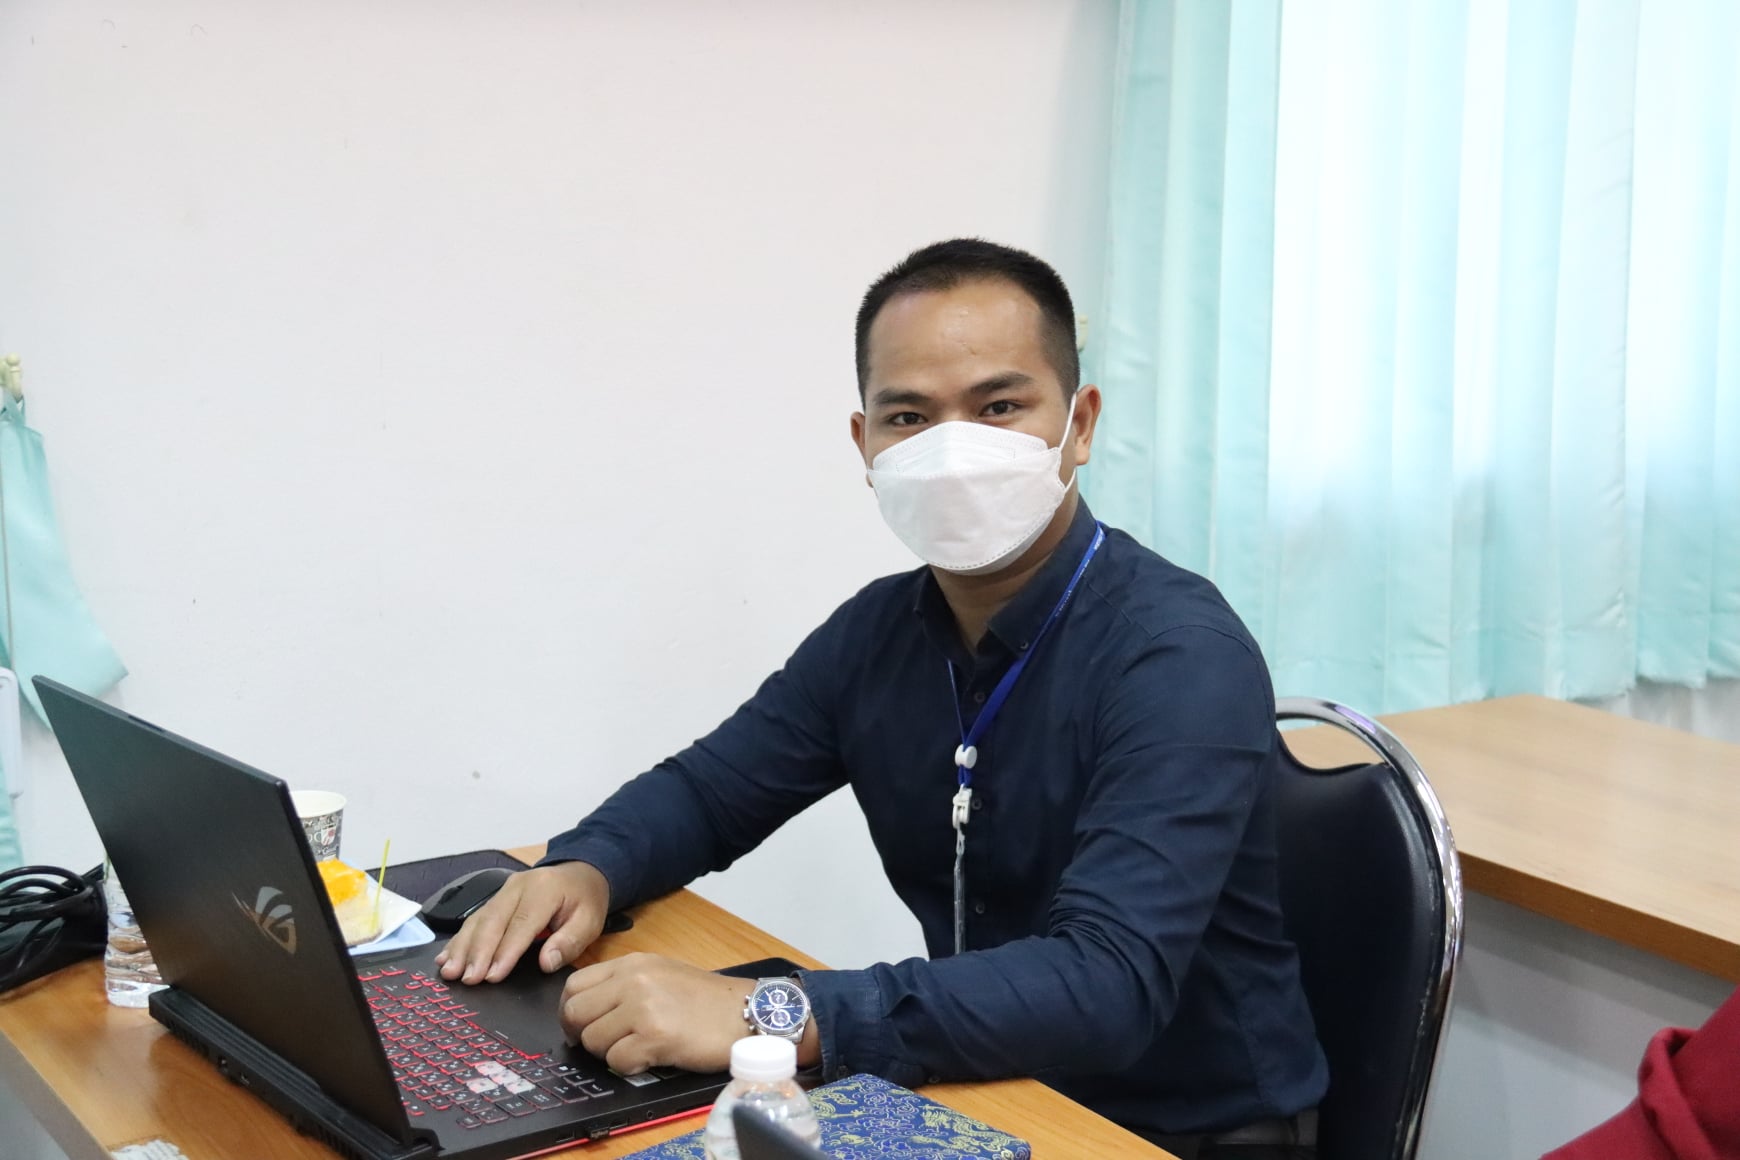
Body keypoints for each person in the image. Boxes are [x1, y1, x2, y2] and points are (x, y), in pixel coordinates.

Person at [438, 239, 1328, 1157]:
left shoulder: (1178, 655)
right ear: (865, 446)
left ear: (1081, 424)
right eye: (910, 416)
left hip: (1180, 1131)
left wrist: (769, 1012)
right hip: (983, 1085)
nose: (953, 450)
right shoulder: (880, 632)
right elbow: (709, 792)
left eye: (999, 407)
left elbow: (1108, 983)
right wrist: (586, 867)